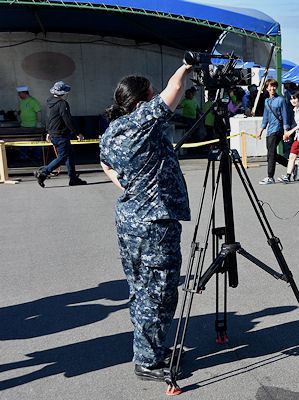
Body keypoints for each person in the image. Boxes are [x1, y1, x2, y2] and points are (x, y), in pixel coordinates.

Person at [99, 65, 192, 381]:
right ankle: (148, 361)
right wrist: (187, 66)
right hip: (153, 224)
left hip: (132, 220)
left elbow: (104, 161)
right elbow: (174, 90)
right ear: (142, 102)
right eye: (151, 96)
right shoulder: (141, 123)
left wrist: (125, 184)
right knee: (158, 291)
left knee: (142, 288)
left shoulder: (114, 128)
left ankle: (149, 348)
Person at [33, 81, 86, 187]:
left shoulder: (49, 103)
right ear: (64, 93)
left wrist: (48, 132)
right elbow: (68, 120)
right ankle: (43, 173)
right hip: (60, 134)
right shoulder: (62, 104)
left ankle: (73, 178)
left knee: (70, 156)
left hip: (54, 134)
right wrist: (76, 133)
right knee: (62, 157)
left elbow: (48, 118)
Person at [257, 78, 290, 184]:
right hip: (270, 129)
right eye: (270, 86)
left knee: (271, 153)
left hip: (278, 129)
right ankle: (291, 165)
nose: (272, 88)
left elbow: (285, 115)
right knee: (271, 153)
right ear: (266, 88)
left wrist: (286, 131)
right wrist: (261, 130)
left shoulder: (281, 100)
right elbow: (265, 116)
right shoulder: (266, 101)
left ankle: (270, 177)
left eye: (274, 86)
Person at [278, 93, 299, 183]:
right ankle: (288, 176)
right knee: (292, 156)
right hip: (298, 137)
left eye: (295, 98)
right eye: (291, 99)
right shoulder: (294, 110)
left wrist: (290, 132)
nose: (293, 101)